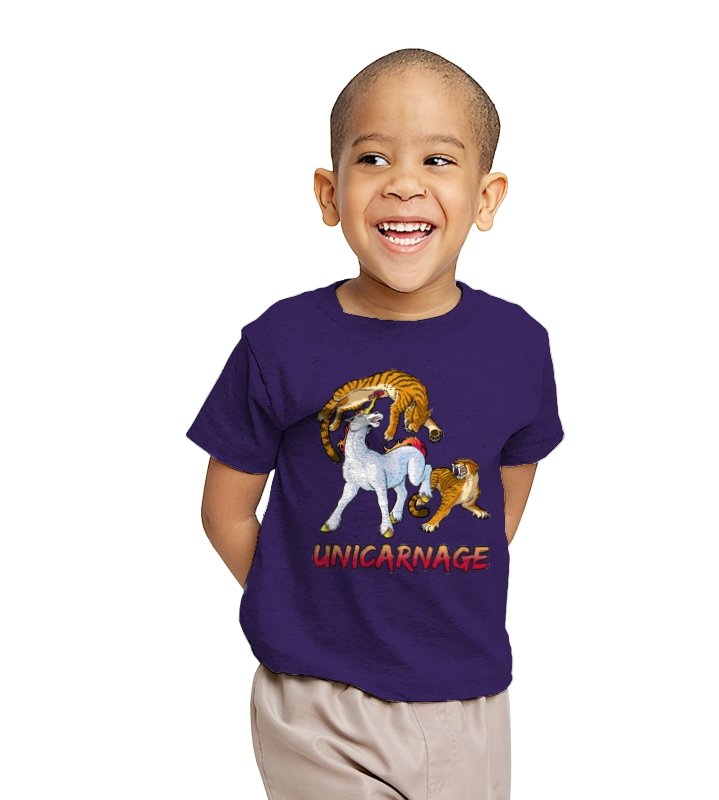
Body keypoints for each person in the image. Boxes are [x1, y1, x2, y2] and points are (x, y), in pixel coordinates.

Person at [186, 47, 564, 800]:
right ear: (330, 193)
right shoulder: (280, 342)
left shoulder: (519, 346)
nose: (404, 182)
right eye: (373, 158)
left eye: (437, 160)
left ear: (486, 198)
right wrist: (300, 601)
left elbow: (503, 499)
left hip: (468, 698)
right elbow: (225, 511)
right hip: (314, 700)